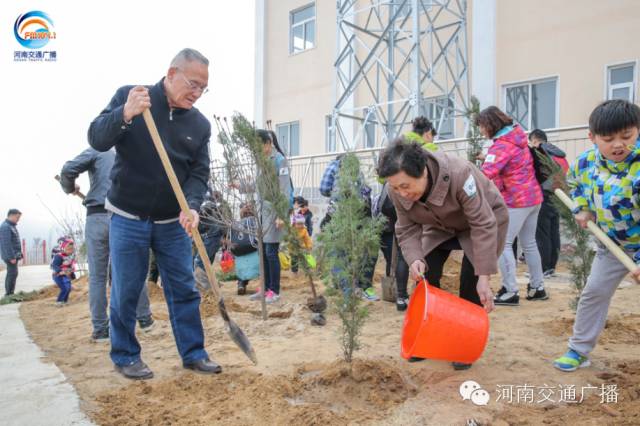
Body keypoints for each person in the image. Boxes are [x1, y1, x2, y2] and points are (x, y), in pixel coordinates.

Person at [88, 48, 220, 379]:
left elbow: (199, 174)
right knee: (127, 289)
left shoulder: (199, 124)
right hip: (128, 217)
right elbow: (97, 138)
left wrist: (191, 205)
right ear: (171, 73)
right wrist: (125, 114)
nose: (197, 92)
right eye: (193, 83)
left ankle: (193, 353)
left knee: (184, 289)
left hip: (171, 222)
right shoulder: (134, 97)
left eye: (203, 88)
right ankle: (125, 355)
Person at [378, 140, 508, 370]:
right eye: (396, 188)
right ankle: (428, 338)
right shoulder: (397, 189)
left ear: (423, 171)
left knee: (471, 281)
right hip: (437, 225)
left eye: (406, 186)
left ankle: (464, 344)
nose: (402, 193)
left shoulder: (460, 174)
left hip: (480, 222)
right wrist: (415, 258)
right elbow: (406, 228)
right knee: (426, 275)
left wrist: (484, 277)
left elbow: (483, 223)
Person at [553, 100, 640, 372]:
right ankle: (578, 350)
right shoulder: (585, 163)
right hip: (611, 244)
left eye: (627, 136)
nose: (618, 145)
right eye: (608, 138)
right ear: (592, 138)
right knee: (594, 293)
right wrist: (583, 208)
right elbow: (576, 186)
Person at [59, 147, 154, 341]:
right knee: (132, 271)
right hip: (126, 217)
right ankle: (145, 319)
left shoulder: (97, 150)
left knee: (97, 277)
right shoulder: (130, 153)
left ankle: (101, 329)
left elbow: (68, 170)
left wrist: (69, 188)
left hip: (98, 217)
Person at [476, 106, 547, 306]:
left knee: (504, 243)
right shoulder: (518, 138)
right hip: (533, 197)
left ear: (490, 124)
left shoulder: (501, 146)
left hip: (515, 200)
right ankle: (537, 287)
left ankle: (509, 290)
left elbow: (485, 174)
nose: (481, 131)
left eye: (481, 126)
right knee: (529, 243)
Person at [239, 129, 292, 304]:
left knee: (271, 252)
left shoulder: (279, 161)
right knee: (263, 252)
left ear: (268, 143)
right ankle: (265, 288)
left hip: (274, 212)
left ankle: (274, 291)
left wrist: (281, 215)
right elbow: (257, 185)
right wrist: (239, 186)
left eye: (258, 145)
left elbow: (285, 190)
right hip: (262, 213)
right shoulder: (261, 163)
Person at [320, 154, 379, 301]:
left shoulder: (333, 166)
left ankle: (347, 289)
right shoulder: (359, 173)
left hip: (340, 216)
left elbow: (324, 188)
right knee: (362, 252)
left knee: (338, 253)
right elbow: (366, 194)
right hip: (359, 217)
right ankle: (360, 288)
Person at [528, 129, 569, 278]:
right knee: (553, 232)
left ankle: (544, 267)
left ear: (534, 140)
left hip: (544, 195)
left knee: (542, 234)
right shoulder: (559, 153)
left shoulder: (540, 152)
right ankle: (551, 267)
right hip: (559, 196)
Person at [374, 182, 410, 311]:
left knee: (401, 256)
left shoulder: (389, 181)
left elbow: (383, 207)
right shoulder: (406, 176)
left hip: (395, 220)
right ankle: (421, 295)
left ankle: (401, 296)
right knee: (424, 255)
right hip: (409, 217)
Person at [194, 190, 230, 271]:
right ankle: (207, 282)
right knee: (206, 263)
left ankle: (201, 283)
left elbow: (209, 208)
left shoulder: (207, 202)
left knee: (199, 262)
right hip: (209, 236)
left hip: (212, 236)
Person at [0, 209, 22, 296]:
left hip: (13, 255)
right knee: (12, 273)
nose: (18, 219)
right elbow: (6, 243)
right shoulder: (5, 227)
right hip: (10, 256)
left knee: (13, 273)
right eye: (17, 217)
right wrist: (11, 257)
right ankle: (9, 294)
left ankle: (10, 293)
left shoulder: (11, 226)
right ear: (11, 215)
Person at [51, 238, 77, 306]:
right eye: (68, 249)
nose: (70, 251)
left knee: (68, 288)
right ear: (63, 248)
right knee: (64, 288)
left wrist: (72, 275)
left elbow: (70, 267)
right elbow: (54, 265)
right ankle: (59, 301)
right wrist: (60, 271)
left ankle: (65, 301)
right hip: (58, 276)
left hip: (66, 276)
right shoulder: (59, 256)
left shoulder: (69, 257)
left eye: (71, 249)